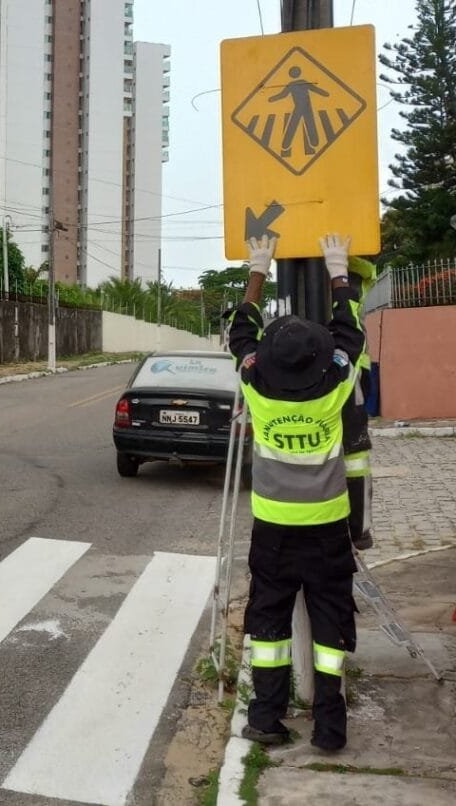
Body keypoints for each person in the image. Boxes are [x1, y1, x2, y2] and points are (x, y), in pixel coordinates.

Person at [225, 233, 365, 752]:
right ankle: (330, 731)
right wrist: (338, 272)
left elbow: (240, 334)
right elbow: (350, 332)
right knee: (330, 627)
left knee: (269, 621)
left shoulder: (255, 385)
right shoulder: (334, 385)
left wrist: (257, 270)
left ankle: (266, 719)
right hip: (327, 529)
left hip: (273, 531)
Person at [342, 257, 377, 550]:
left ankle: (358, 530)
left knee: (353, 452)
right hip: (344, 367)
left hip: (351, 370)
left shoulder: (358, 271)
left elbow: (365, 266)